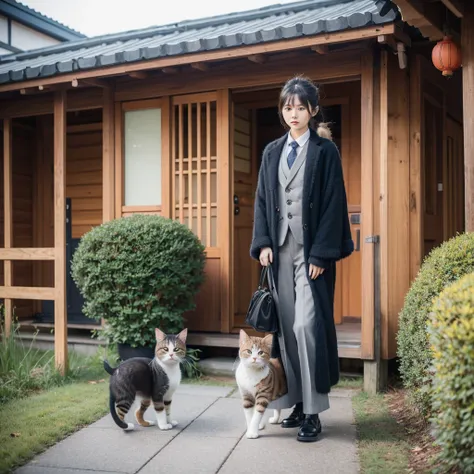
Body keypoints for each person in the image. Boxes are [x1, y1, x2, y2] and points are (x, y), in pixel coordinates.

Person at [250, 75, 354, 443]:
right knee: (287, 331)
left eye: (299, 107)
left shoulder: (326, 152)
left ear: (313, 110)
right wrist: (262, 242)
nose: (293, 113)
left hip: (311, 254)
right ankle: (295, 402)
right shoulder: (271, 151)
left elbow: (333, 204)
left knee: (306, 327)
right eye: (287, 107)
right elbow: (263, 199)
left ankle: (314, 411)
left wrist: (323, 253)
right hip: (278, 253)